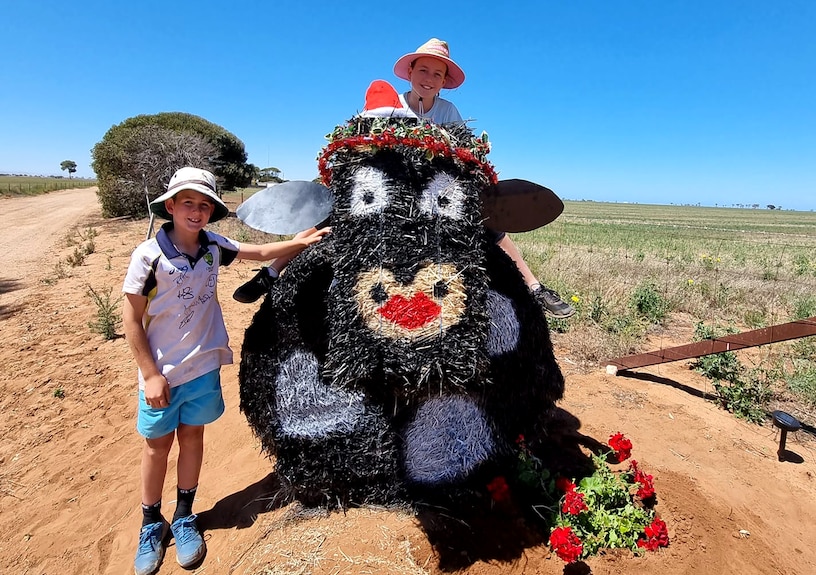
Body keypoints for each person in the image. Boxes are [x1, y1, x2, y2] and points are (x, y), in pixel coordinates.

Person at [233, 38, 573, 319]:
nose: (429, 78)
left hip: (431, 191)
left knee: (492, 228)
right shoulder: (387, 106)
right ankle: (272, 272)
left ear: (444, 81)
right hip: (384, 187)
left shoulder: (449, 113)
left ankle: (534, 286)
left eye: (437, 74)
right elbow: (361, 143)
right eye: (423, 69)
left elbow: (460, 155)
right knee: (325, 212)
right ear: (410, 72)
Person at [123, 166, 329, 575]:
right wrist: (150, 374)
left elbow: (258, 253)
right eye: (188, 203)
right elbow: (131, 319)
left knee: (193, 439)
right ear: (170, 206)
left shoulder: (214, 245)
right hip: (162, 372)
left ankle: (184, 517)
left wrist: (302, 240)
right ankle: (151, 523)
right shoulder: (148, 256)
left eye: (204, 205)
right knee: (157, 447)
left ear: (212, 212)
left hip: (202, 367)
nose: (196, 211)